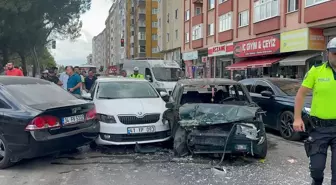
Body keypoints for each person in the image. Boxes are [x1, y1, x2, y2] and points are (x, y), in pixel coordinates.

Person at [294, 37, 336, 185]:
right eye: (334, 53)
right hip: (319, 128)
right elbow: (301, 94)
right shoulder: (316, 71)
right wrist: (297, 118)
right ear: (328, 53)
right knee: (317, 170)